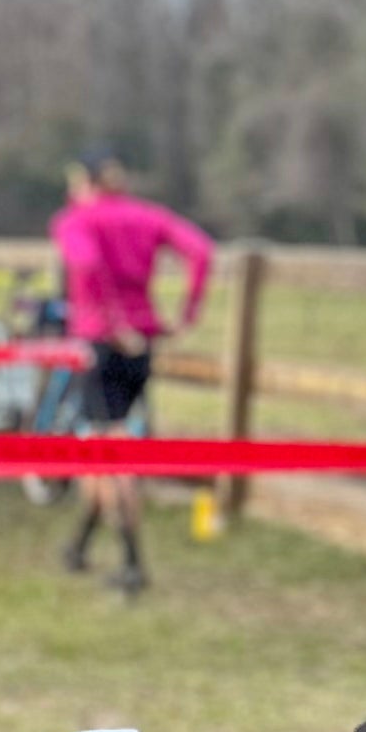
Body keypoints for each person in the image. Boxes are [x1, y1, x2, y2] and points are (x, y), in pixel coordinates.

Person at [51, 156, 215, 593]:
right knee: (105, 444)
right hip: (141, 343)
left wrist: (111, 319)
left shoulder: (76, 221)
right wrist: (187, 313)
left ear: (85, 182)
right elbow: (200, 251)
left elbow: (83, 263)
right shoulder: (148, 217)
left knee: (109, 452)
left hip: (99, 343)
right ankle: (80, 544)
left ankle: (131, 561)